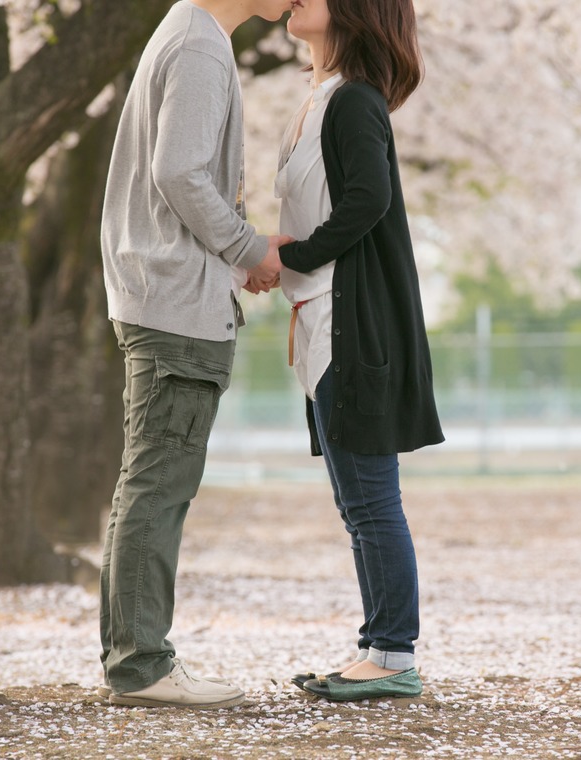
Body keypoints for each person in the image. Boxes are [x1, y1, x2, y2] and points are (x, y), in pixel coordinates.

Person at [98, 0, 291, 709]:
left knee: (146, 484)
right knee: (158, 485)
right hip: (175, 308)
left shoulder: (188, 32)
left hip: (162, 295)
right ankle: (142, 666)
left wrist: (238, 264)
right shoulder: (201, 45)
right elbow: (180, 172)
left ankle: (133, 659)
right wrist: (248, 248)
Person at [269, 0, 443, 701]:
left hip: (353, 327)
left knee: (372, 500)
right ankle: (377, 646)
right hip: (322, 322)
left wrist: (289, 259)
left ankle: (395, 654)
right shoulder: (321, 98)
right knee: (357, 503)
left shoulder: (354, 102)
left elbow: (368, 198)